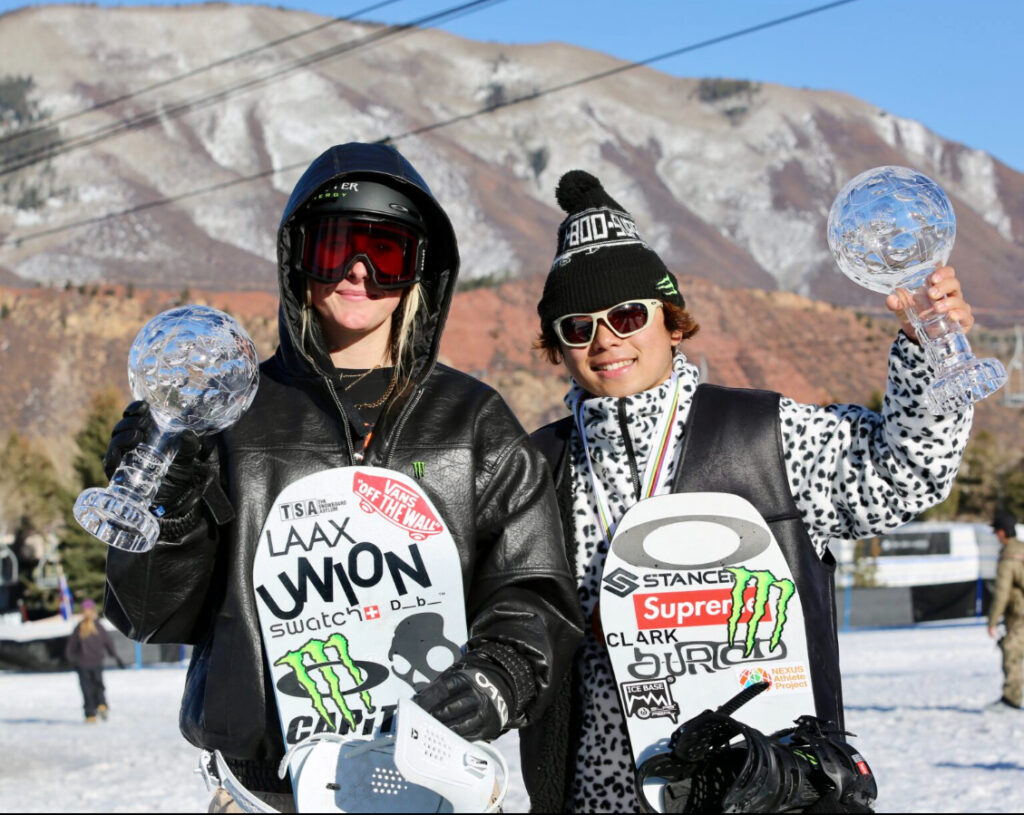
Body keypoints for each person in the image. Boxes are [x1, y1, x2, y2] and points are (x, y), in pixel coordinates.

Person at [102, 142, 583, 812]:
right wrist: (167, 512)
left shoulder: (472, 422)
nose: (358, 272)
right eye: (337, 248)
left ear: (419, 271)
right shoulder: (231, 412)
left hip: (431, 781)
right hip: (265, 790)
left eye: (385, 252)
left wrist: (499, 672)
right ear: (298, 256)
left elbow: (534, 593)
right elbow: (149, 613)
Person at [521, 170, 975, 812]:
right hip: (601, 794)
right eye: (576, 326)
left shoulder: (763, 432)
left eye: (626, 315)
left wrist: (927, 351)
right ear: (558, 348)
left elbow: (900, 474)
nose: (605, 341)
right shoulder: (537, 467)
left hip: (767, 787)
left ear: (672, 323)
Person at [986, 509, 1024, 711]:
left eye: (995, 531)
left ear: (1002, 532)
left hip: (1020, 616)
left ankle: (1011, 699)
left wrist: (992, 621)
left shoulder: (1009, 557)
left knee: (1011, 653)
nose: (994, 536)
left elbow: (1002, 593)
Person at [64, 598, 124, 723]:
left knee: (87, 689)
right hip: (97, 662)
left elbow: (71, 647)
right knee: (98, 685)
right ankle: (102, 704)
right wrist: (116, 657)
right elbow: (108, 643)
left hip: (82, 663)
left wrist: (71, 660)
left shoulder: (79, 627)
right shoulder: (99, 626)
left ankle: (90, 714)